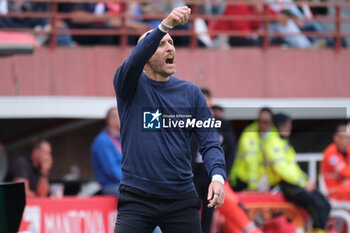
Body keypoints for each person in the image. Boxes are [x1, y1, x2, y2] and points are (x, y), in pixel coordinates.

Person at [113, 6, 226, 233]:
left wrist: (218, 177)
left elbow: (210, 140)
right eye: (161, 44)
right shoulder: (129, 85)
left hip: (181, 198)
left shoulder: (191, 93)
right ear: (146, 56)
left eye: (171, 43)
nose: (169, 47)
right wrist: (164, 25)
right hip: (136, 198)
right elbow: (134, 61)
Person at [264, 113, 330, 232]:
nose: (288, 128)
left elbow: (293, 167)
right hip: (283, 185)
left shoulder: (283, 142)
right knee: (316, 204)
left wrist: (306, 180)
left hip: (295, 183)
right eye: (285, 125)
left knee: (325, 203)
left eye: (289, 125)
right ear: (278, 126)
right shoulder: (273, 143)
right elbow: (282, 170)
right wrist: (303, 183)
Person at [191, 88, 236, 233]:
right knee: (191, 205)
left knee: (209, 209)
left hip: (212, 171)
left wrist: (224, 173)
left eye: (206, 100)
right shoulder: (190, 122)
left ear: (210, 102)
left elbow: (232, 149)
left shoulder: (222, 123)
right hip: (194, 171)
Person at [229, 107, 276, 191]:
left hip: (263, 181)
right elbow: (252, 162)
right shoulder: (249, 134)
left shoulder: (274, 136)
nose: (262, 124)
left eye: (265, 122)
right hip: (244, 179)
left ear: (271, 123)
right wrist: (253, 186)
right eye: (260, 121)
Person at [91, 107, 122, 196]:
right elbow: (112, 171)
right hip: (111, 185)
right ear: (111, 120)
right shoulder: (103, 141)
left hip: (122, 184)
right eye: (120, 116)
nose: (124, 118)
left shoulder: (121, 139)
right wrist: (133, 181)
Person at [321, 123, 350, 201]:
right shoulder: (331, 153)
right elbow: (346, 172)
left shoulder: (347, 150)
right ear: (336, 138)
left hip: (344, 188)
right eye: (345, 137)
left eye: (349, 137)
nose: (348, 140)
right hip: (333, 191)